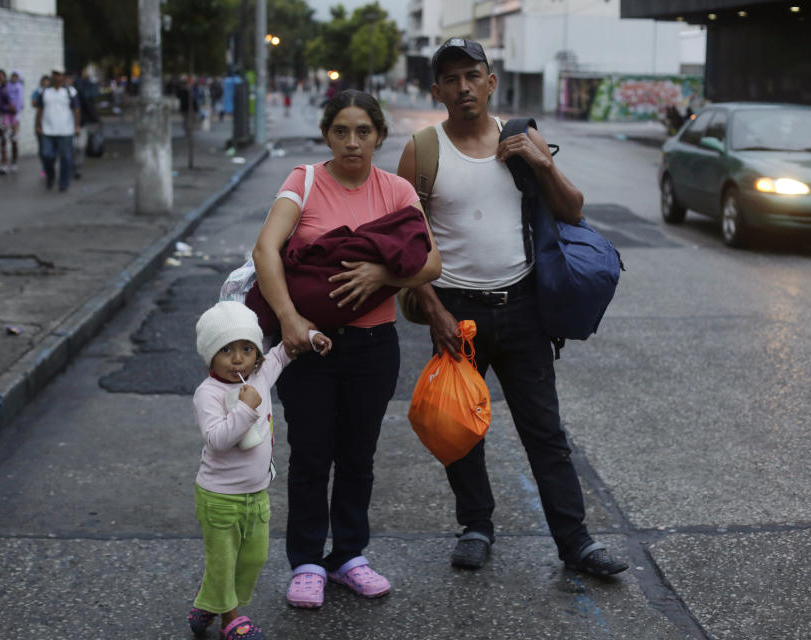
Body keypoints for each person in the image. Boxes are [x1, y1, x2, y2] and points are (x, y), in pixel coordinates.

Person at [396, 38, 629, 577]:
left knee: (545, 431)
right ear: (437, 90)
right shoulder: (423, 150)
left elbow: (572, 210)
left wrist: (541, 163)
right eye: (451, 79)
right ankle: (476, 525)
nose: (463, 87)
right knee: (460, 425)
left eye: (472, 76)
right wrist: (433, 310)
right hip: (457, 313)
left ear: (491, 81)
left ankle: (576, 543)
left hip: (523, 306)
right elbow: (402, 245)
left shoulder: (521, 137)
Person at [252, 89, 441, 609]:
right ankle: (308, 563)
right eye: (341, 131)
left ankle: (350, 556)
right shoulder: (304, 180)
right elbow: (266, 249)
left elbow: (432, 263)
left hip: (374, 347)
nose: (352, 142)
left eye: (363, 131)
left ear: (380, 135)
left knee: (358, 456)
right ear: (326, 136)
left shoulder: (398, 190)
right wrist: (289, 320)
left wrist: (384, 272)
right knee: (312, 455)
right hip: (309, 345)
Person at [189, 301, 332, 639]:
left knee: (253, 559)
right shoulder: (208, 393)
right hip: (219, 497)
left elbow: (283, 353)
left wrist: (310, 337)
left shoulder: (259, 375)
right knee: (224, 561)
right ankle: (231, 619)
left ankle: (208, 603)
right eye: (226, 350)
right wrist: (245, 408)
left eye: (247, 348)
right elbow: (217, 440)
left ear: (257, 353)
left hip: (257, 492)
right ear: (210, 354)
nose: (238, 358)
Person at [35, 69, 80, 192]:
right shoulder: (44, 92)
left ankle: (63, 182)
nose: (56, 77)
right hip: (48, 131)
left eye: (59, 75)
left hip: (66, 130)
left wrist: (77, 126)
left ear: (63, 76)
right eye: (54, 74)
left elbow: (76, 110)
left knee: (66, 158)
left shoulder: (70, 91)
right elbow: (39, 110)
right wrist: (37, 125)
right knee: (46, 155)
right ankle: (50, 175)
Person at [0, 69, 19, 175]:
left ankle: (14, 162)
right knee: (2, 140)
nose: (1, 79)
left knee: (14, 139)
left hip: (12, 116)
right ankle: (3, 163)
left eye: (3, 76)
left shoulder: (11, 88)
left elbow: (18, 101)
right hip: (2, 116)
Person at [31, 75, 50, 177]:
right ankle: (44, 166)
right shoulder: (38, 92)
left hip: (50, 123)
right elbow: (33, 103)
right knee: (42, 147)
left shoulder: (52, 93)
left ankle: (48, 166)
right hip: (41, 122)